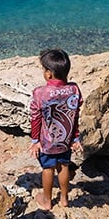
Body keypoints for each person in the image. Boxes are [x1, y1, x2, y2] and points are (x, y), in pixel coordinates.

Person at [29, 48, 83, 210]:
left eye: (44, 69)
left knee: (48, 168)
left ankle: (47, 200)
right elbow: (75, 115)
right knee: (64, 166)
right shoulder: (74, 89)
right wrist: (75, 138)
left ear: (49, 74)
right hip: (66, 140)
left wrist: (35, 140)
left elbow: (35, 118)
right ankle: (64, 199)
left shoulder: (40, 93)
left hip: (47, 141)